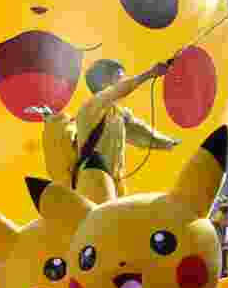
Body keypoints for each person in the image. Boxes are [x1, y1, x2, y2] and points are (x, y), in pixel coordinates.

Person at [27, 60, 176, 194]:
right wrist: (149, 74)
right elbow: (119, 90)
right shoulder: (91, 107)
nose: (123, 80)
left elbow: (139, 131)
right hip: (92, 180)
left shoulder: (118, 113)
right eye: (120, 77)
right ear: (104, 82)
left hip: (114, 184)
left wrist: (167, 142)